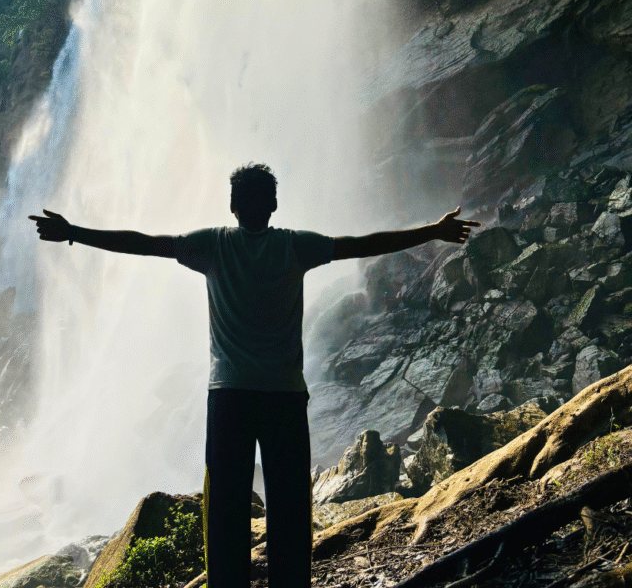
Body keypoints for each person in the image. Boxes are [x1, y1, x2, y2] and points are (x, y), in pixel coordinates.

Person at [28, 162, 480, 588]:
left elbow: (146, 242)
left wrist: (74, 233)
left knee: (225, 510)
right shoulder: (294, 245)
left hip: (228, 399)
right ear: (274, 206)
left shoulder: (212, 243)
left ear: (232, 205)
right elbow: (360, 244)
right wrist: (432, 232)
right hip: (284, 397)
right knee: (289, 508)